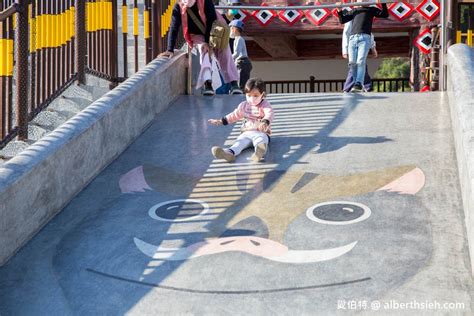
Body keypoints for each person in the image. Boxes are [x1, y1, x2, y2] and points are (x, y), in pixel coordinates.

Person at [158, 0, 242, 96]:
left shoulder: (205, 2)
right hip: (196, 35)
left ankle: (234, 84)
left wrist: (207, 41)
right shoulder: (178, 7)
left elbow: (211, 20)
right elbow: (174, 27)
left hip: (215, 31)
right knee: (204, 52)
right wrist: (170, 49)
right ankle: (208, 84)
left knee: (225, 51)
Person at [208, 78, 273, 163]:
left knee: (260, 140)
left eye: (256, 96)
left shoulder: (265, 105)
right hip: (246, 132)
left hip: (261, 132)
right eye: (249, 95)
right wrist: (221, 121)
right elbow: (234, 115)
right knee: (239, 143)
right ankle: (228, 153)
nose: (251, 98)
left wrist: (265, 121)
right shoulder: (244, 106)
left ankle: (259, 153)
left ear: (262, 95)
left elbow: (269, 113)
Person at [337, 0, 388, 92]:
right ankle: (357, 83)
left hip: (364, 38)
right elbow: (342, 20)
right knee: (352, 63)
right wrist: (339, 10)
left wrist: (383, 3)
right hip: (352, 39)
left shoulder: (371, 10)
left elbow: (385, 14)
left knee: (360, 61)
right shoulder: (354, 10)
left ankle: (358, 84)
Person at [342, 20, 378, 92]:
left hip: (363, 42)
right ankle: (350, 87)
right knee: (355, 65)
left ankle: (364, 86)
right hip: (352, 44)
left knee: (361, 63)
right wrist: (345, 50)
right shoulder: (351, 19)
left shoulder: (364, 18)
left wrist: (373, 47)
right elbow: (346, 34)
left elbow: (369, 34)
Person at [229, 20, 253, 89]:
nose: (230, 30)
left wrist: (228, 59)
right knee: (240, 83)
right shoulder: (237, 39)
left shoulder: (239, 39)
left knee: (241, 85)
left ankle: (242, 98)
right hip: (242, 63)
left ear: (235, 29)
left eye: (231, 28)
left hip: (243, 63)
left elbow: (237, 53)